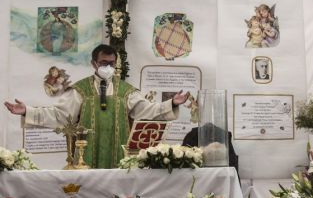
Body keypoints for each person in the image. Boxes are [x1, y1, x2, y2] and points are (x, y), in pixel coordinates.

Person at [4, 44, 190, 169]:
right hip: (87, 153)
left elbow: (147, 110)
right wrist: (27, 110)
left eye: (111, 63)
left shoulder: (125, 91)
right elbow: (60, 115)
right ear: (94, 63)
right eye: (103, 63)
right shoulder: (81, 90)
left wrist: (172, 103)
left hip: (120, 152)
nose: (108, 67)